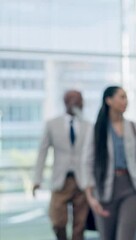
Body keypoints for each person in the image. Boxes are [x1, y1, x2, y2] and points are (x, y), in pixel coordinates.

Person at [82, 86, 136, 240]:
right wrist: (91, 197)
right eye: (121, 97)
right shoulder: (96, 129)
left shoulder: (134, 128)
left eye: (126, 97)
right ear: (108, 100)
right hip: (104, 190)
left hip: (131, 188)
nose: (125, 101)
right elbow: (87, 162)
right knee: (107, 236)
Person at [32, 90, 90, 240]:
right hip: (60, 181)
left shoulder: (88, 126)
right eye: (76, 100)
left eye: (81, 100)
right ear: (67, 102)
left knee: (80, 225)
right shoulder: (52, 124)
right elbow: (42, 153)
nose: (80, 104)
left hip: (82, 181)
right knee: (57, 221)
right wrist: (37, 179)